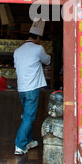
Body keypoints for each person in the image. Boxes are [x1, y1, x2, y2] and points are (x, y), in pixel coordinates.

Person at [14, 20, 51, 155]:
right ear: (38, 37)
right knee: (29, 117)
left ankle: (28, 141)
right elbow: (47, 60)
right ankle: (20, 145)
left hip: (21, 88)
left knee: (26, 115)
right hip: (32, 88)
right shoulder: (38, 49)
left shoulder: (18, 50)